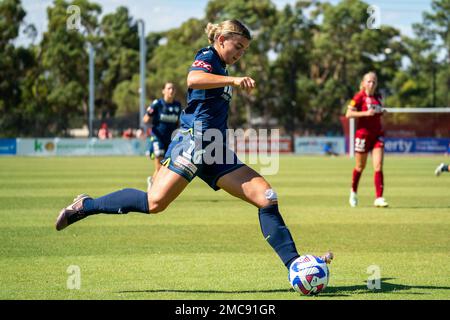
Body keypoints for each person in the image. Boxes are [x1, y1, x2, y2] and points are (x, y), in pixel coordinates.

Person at [55, 19, 332, 276]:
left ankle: (295, 264)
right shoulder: (209, 56)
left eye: (244, 51)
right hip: (194, 141)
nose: (240, 55)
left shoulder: (222, 67)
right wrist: (233, 80)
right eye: (238, 47)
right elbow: (193, 79)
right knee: (154, 202)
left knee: (266, 197)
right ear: (222, 39)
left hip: (215, 149)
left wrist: (229, 78)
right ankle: (85, 206)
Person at [346, 71, 388, 208]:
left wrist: (382, 111)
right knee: (360, 167)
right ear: (364, 83)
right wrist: (365, 113)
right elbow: (348, 114)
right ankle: (353, 192)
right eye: (369, 81)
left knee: (378, 166)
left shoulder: (378, 97)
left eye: (374, 82)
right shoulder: (359, 97)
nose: (371, 84)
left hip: (377, 135)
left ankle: (379, 197)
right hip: (363, 136)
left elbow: (377, 112)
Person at [143, 82, 183, 189]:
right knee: (160, 166)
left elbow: (178, 123)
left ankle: (152, 181)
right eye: (169, 88)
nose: (171, 90)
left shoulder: (177, 105)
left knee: (166, 167)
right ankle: (156, 189)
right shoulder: (157, 104)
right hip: (158, 138)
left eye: (173, 88)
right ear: (163, 91)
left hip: (170, 140)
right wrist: (149, 113)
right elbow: (145, 119)